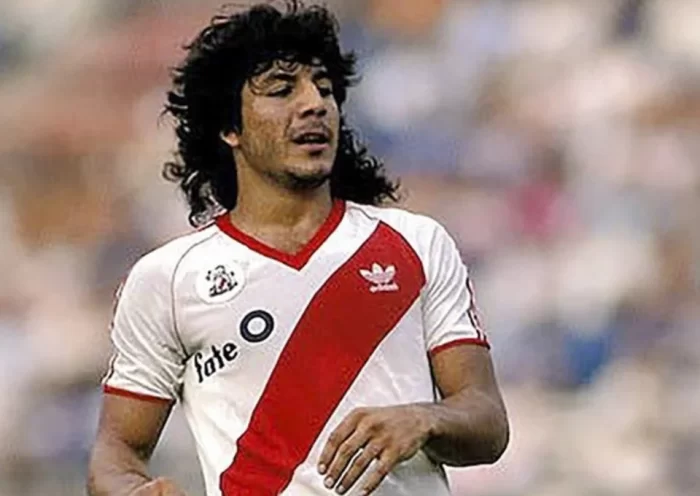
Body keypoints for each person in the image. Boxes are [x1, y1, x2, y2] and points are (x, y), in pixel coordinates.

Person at [87, 1, 509, 495]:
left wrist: (424, 418)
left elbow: (487, 423)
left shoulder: (415, 243)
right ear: (230, 127)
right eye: (282, 89)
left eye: (324, 88)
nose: (314, 104)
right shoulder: (168, 280)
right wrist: (134, 493)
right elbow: (115, 456)